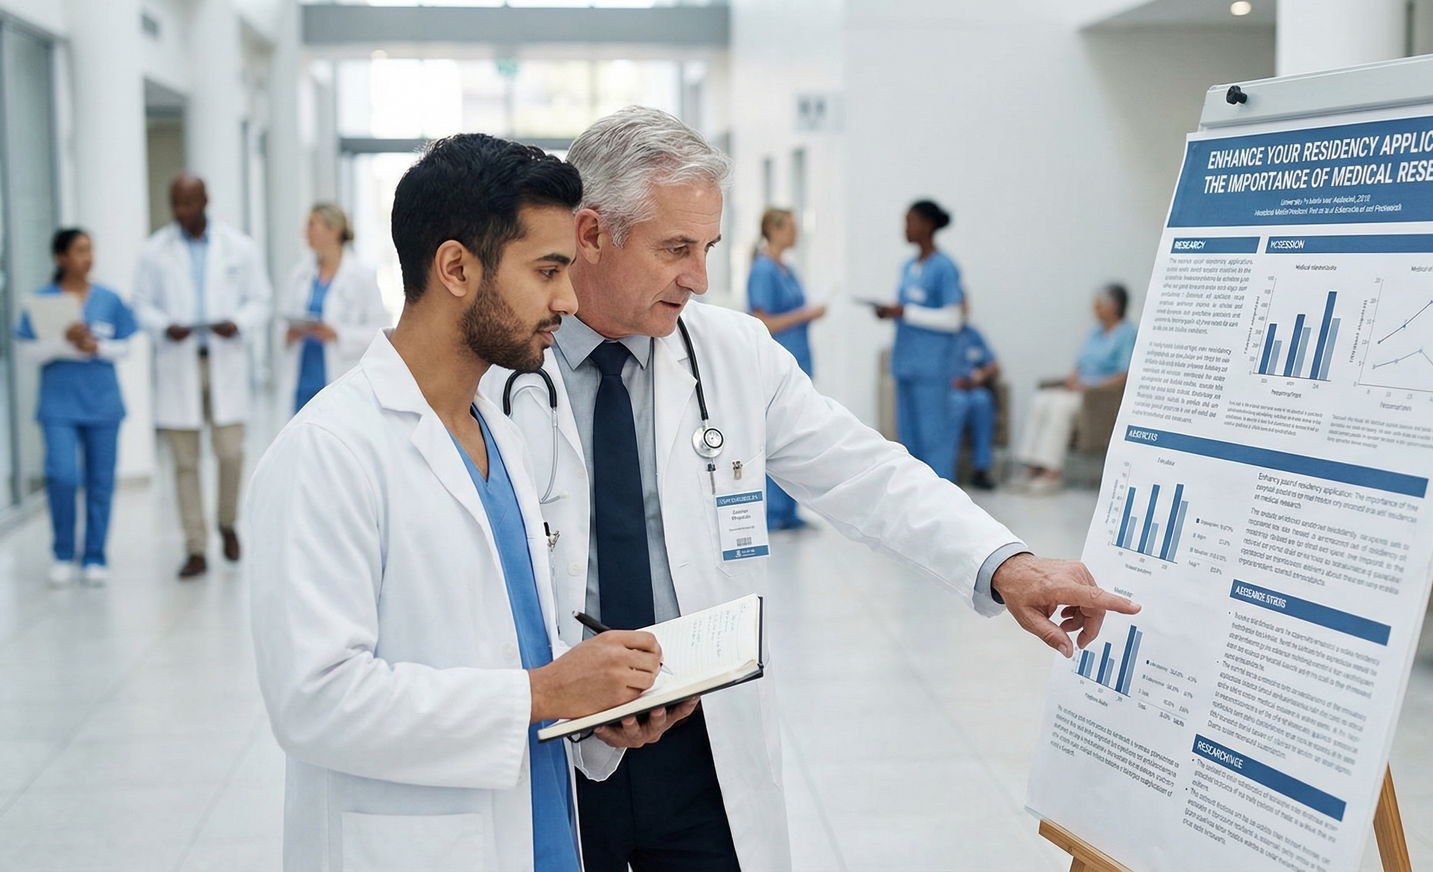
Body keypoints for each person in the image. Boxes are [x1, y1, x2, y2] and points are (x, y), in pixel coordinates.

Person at [486, 106, 1138, 872]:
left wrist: (1006, 563)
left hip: (700, 739)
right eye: (676, 250)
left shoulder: (732, 353)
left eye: (707, 249)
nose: (699, 278)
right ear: (591, 234)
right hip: (556, 739)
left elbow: (865, 471)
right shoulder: (496, 367)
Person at [246, 134, 692, 872]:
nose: (568, 301)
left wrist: (590, 703)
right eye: (548, 271)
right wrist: (544, 693)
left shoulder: (499, 433)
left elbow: (516, 653)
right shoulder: (329, 452)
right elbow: (314, 702)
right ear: (456, 267)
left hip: (537, 830)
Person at [133, 174, 271, 578]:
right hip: (179, 361)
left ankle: (226, 522)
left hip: (222, 358)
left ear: (205, 200)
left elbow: (260, 300)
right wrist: (163, 326)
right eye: (175, 203)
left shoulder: (239, 248)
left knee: (230, 452)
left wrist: (238, 323)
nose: (181, 211)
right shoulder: (155, 251)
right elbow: (140, 304)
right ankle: (195, 546)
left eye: (189, 203)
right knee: (184, 461)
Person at [13, 229, 137, 587]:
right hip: (59, 405)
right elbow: (29, 352)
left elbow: (125, 347)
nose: (88, 257)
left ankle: (95, 556)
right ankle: (63, 552)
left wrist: (95, 347)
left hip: (103, 404)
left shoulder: (109, 299)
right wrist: (61, 342)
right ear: (61, 257)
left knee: (101, 482)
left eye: (90, 250)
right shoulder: (41, 301)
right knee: (62, 476)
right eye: (80, 251)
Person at [874, 200, 966, 480]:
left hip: (931, 370)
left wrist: (906, 312)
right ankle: (915, 508)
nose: (906, 228)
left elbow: (953, 319)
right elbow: (910, 310)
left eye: (910, 221)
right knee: (909, 442)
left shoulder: (944, 267)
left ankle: (942, 508)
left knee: (934, 439)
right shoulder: (908, 267)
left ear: (927, 225)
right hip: (907, 365)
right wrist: (892, 313)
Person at [745, 207, 824, 530]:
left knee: (794, 436)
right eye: (790, 227)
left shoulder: (786, 268)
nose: (796, 232)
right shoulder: (764, 270)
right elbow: (762, 320)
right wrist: (806, 315)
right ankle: (774, 514)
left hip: (797, 360)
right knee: (775, 436)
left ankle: (788, 512)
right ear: (774, 230)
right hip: (775, 362)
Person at [1017, 283, 1138, 491]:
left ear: (1114, 306)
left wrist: (1088, 387)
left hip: (1097, 395)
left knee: (1060, 408)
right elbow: (1080, 364)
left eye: (1099, 304)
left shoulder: (1127, 334)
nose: (1094, 308)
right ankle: (1031, 466)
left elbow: (1124, 374)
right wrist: (1071, 381)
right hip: (1079, 389)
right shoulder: (1095, 332)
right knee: (1042, 399)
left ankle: (1051, 471)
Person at [277, 202, 391, 414]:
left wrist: (338, 334)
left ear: (333, 230)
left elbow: (380, 332)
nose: (305, 232)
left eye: (312, 225)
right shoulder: (299, 274)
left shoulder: (361, 277)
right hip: (302, 378)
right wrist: (290, 332)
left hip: (339, 374)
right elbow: (283, 320)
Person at [946, 320, 1001, 490]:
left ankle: (980, 470)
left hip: (974, 388)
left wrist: (981, 375)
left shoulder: (972, 334)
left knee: (983, 401)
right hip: (948, 390)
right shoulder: (937, 335)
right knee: (958, 404)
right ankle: (945, 470)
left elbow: (993, 365)